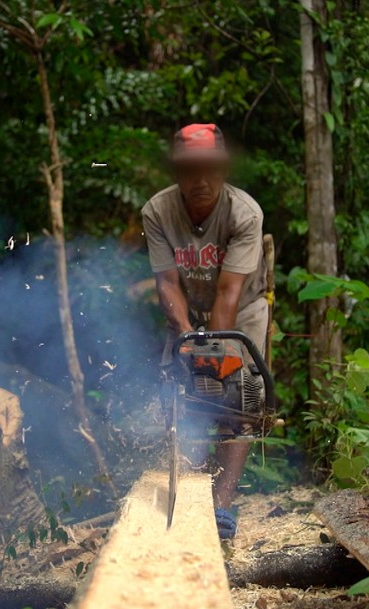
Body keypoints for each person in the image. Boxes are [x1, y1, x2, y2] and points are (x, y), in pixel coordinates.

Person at [142, 123, 268, 539]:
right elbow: (167, 284)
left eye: (210, 169)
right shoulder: (157, 212)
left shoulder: (243, 214)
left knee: (238, 399)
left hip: (241, 308)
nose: (201, 180)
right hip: (188, 308)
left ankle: (223, 503)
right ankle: (188, 490)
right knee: (178, 395)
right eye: (190, 170)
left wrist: (215, 355)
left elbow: (230, 293)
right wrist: (185, 341)